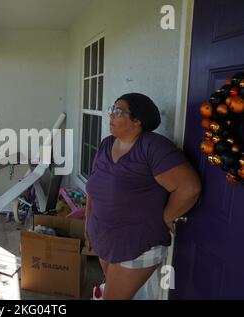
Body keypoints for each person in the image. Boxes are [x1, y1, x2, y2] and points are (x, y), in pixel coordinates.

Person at [85, 93, 201, 300]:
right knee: (110, 289)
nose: (111, 115)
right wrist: (88, 225)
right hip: (103, 237)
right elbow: (93, 188)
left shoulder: (153, 148)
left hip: (135, 244)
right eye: (111, 109)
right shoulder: (106, 144)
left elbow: (189, 188)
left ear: (137, 120)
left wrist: (165, 218)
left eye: (118, 111)